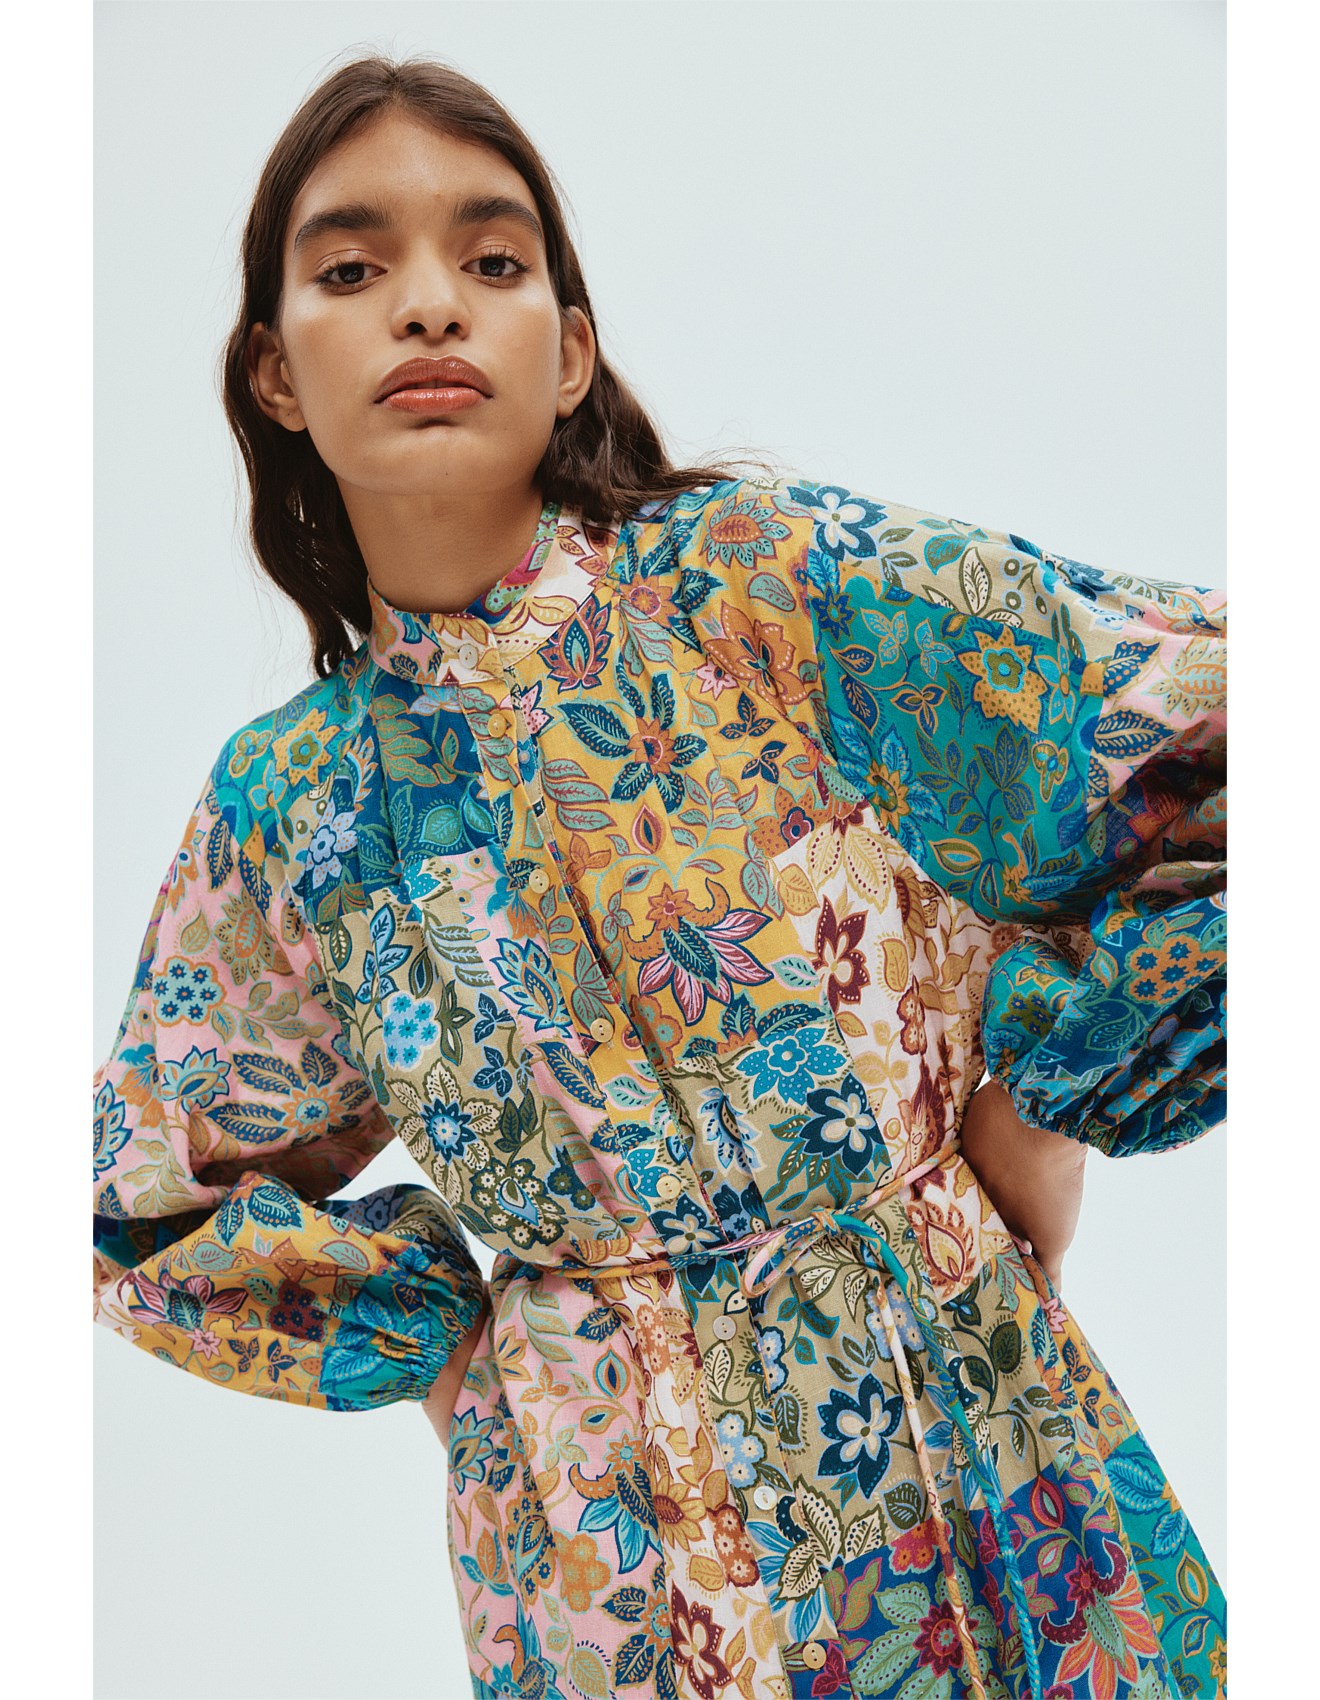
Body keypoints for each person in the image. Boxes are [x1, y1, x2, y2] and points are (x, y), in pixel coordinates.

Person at [92, 53, 1227, 1700]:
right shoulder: (294, 804)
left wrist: (1044, 1103)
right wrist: (452, 1347)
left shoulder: (761, 588)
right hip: (598, 1562)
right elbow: (138, 1208)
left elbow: (1206, 725)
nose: (429, 304)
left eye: (493, 259)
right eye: (351, 270)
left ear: (571, 350)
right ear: (275, 373)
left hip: (968, 1429)